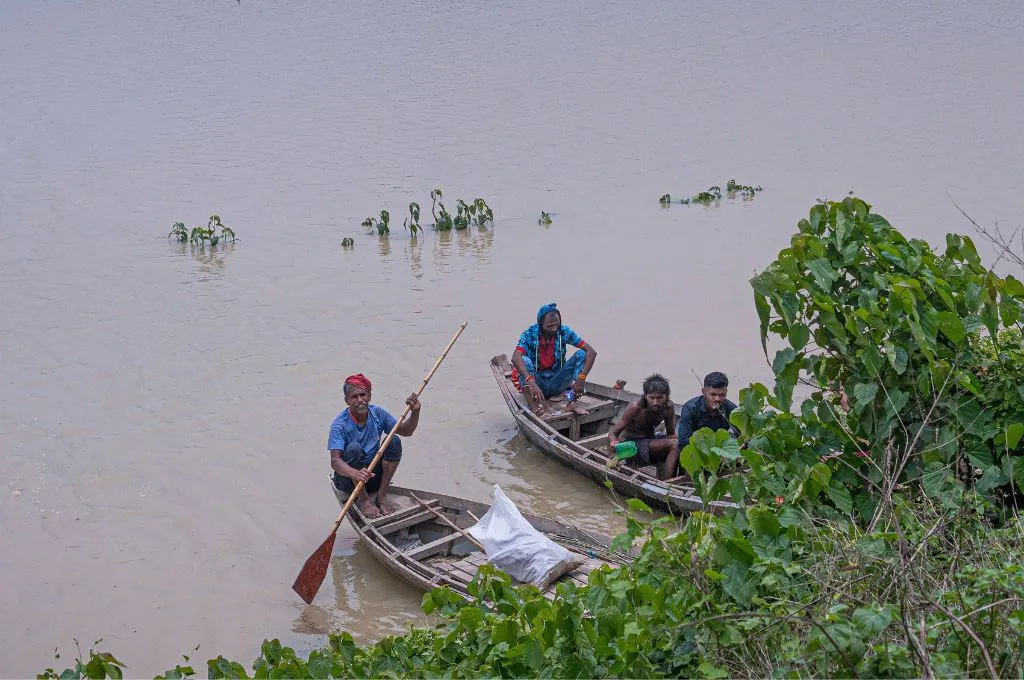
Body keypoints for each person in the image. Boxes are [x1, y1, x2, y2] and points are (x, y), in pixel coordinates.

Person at [328, 373, 421, 518]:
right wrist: (355, 473)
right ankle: (364, 500)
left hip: (371, 476)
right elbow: (335, 461)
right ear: (347, 401)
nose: (360, 400)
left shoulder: (377, 413)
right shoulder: (340, 425)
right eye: (354, 397)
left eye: (363, 395)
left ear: (369, 396)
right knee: (354, 448)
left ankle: (382, 495)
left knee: (394, 441)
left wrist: (415, 412)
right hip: (350, 482)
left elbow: (406, 431)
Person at [511, 302, 597, 416]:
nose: (554, 329)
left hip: (557, 383)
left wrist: (581, 378)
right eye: (549, 326)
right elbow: (515, 357)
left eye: (556, 325)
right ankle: (534, 406)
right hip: (537, 384)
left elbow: (591, 351)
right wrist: (531, 383)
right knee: (524, 360)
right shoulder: (529, 334)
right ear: (540, 324)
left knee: (582, 354)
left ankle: (572, 402)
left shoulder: (564, 331)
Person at [606, 373, 679, 480]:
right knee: (674, 445)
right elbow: (613, 432)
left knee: (682, 442)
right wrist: (613, 444)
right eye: (651, 398)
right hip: (630, 447)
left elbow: (671, 433)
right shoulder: (636, 408)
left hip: (650, 441)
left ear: (666, 396)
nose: (655, 402)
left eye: (659, 398)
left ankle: (677, 478)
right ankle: (667, 485)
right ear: (645, 396)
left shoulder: (668, 407)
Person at [677, 371, 737, 451]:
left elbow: (742, 436)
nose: (717, 399)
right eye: (713, 394)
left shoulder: (731, 409)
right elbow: (683, 442)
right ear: (703, 392)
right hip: (696, 451)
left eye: (721, 395)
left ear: (726, 392)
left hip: (720, 451)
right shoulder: (690, 408)